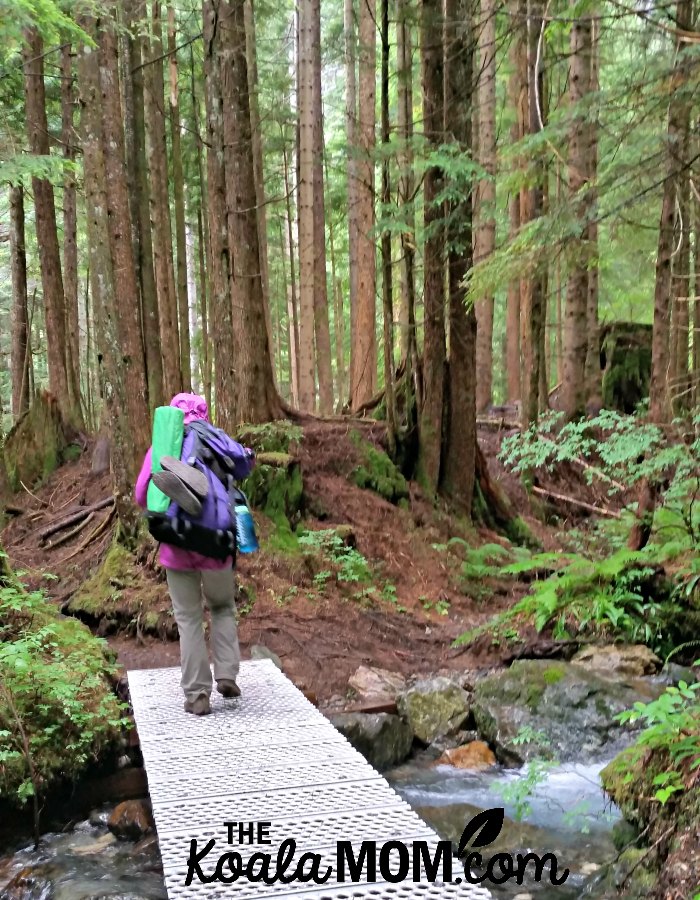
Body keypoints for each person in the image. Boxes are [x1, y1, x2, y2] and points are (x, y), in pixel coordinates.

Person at [134, 393, 256, 716]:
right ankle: (227, 674)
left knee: (188, 619)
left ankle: (197, 696)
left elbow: (140, 494)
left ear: (174, 415)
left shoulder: (164, 444)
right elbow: (245, 462)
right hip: (217, 543)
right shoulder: (216, 440)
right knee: (222, 607)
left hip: (177, 542)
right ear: (203, 413)